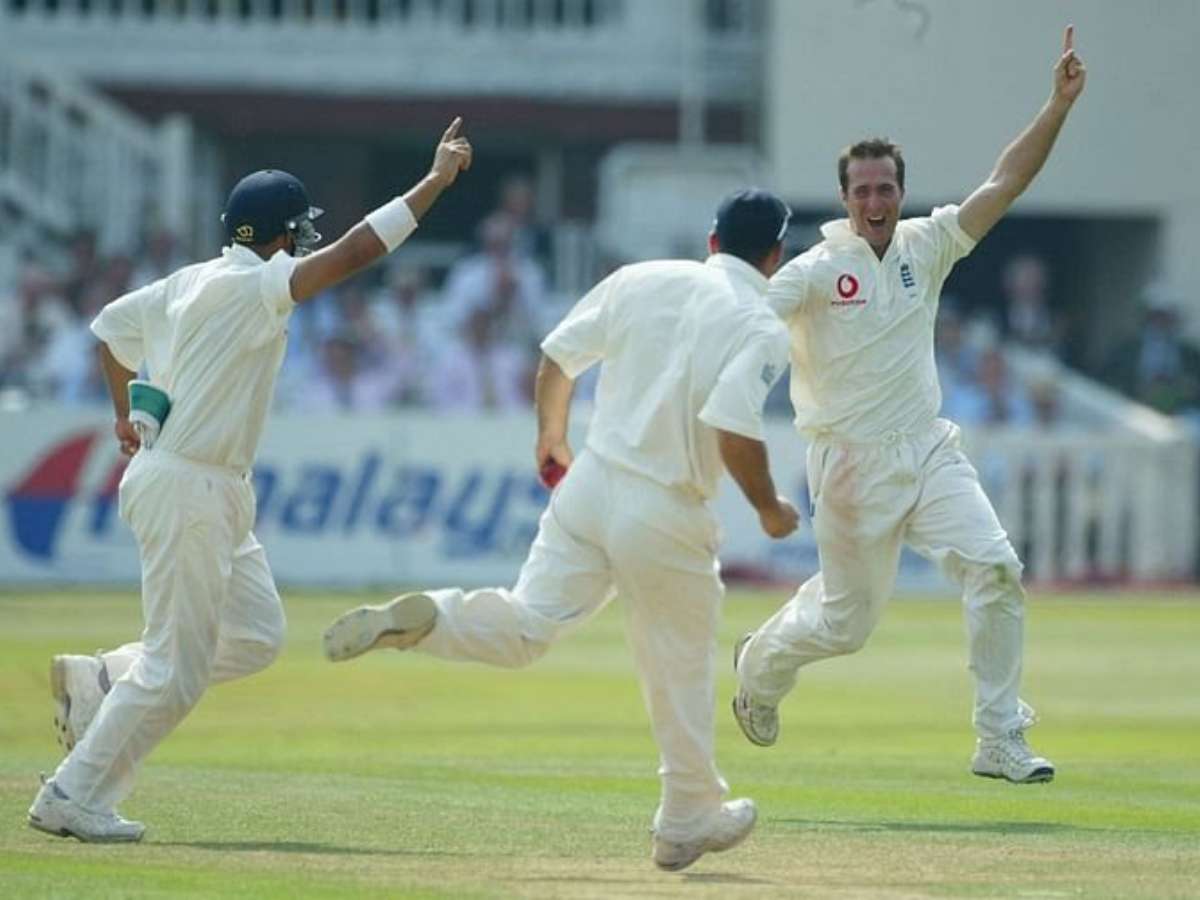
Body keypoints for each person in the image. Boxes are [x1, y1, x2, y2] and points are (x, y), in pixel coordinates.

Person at [322, 189, 799, 872]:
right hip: (663, 507)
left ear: (713, 240)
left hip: (591, 481)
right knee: (681, 663)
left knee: (526, 624)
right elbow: (734, 426)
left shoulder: (643, 277)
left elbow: (558, 357)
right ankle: (688, 815)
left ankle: (437, 618)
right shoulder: (759, 322)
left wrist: (551, 437)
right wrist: (769, 508)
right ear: (775, 257)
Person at [28, 118, 473, 843]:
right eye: (300, 232)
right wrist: (434, 183)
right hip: (189, 488)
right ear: (278, 235)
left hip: (210, 488)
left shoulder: (189, 280)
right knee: (175, 670)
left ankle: (103, 678)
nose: (305, 243)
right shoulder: (257, 285)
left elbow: (110, 335)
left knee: (259, 636)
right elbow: (358, 249)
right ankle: (71, 795)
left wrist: (122, 414)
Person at [732, 26, 1088, 785]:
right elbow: (751, 305)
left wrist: (1056, 106)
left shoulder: (928, 244)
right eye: (861, 189)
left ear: (901, 191)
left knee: (995, 568)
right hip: (850, 467)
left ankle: (998, 736)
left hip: (927, 448)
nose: (874, 200)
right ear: (844, 198)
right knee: (844, 625)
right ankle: (759, 664)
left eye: (885, 187)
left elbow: (1003, 184)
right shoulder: (816, 270)